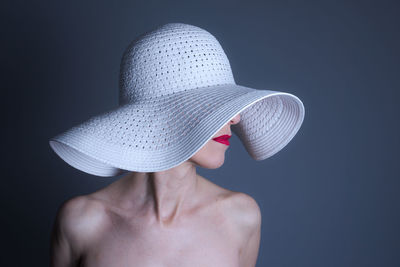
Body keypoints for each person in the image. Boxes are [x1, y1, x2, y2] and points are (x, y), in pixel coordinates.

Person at [49, 22, 305, 267]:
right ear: (161, 117)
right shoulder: (81, 222)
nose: (236, 117)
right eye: (214, 106)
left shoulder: (241, 217)